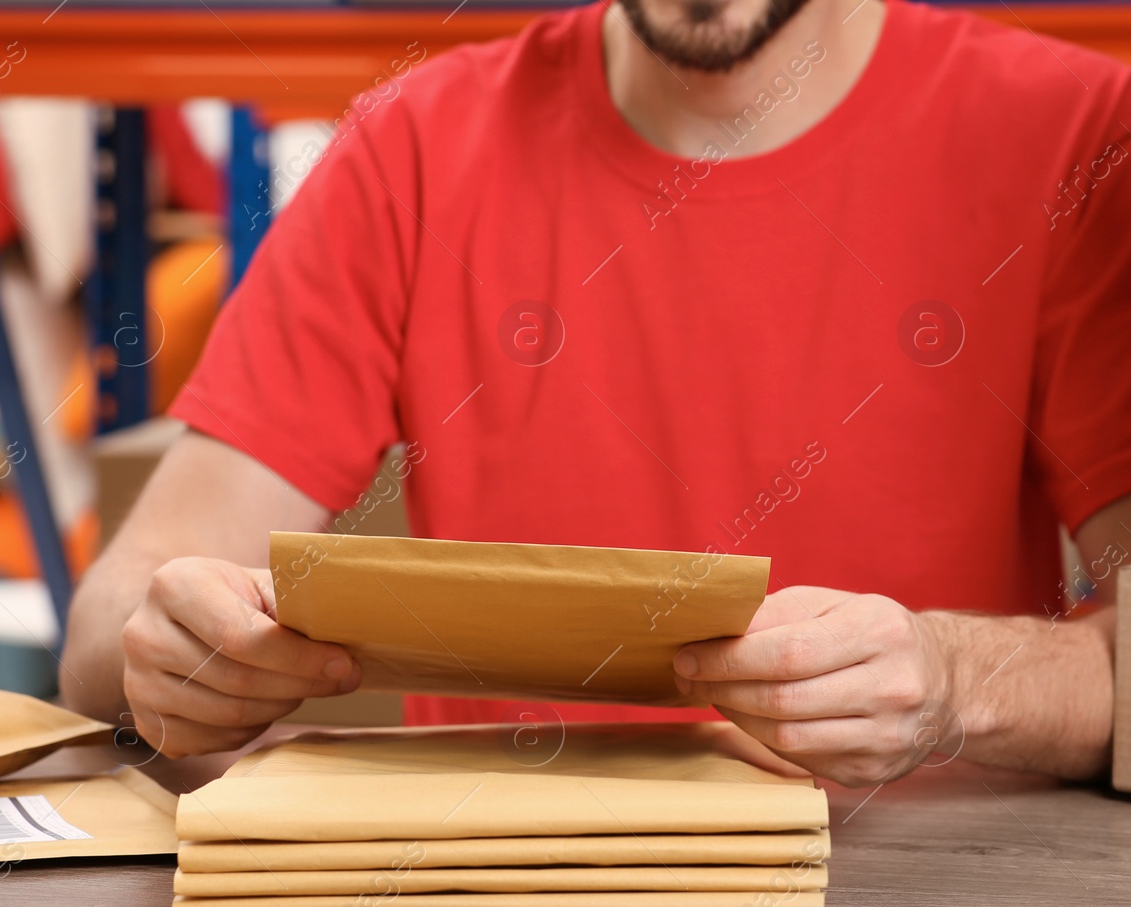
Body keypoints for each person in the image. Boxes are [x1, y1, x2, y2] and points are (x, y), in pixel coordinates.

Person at [61, 0, 1131, 787]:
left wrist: (955, 679)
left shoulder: (1078, 143)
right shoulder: (414, 151)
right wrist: (169, 647)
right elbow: (108, 630)